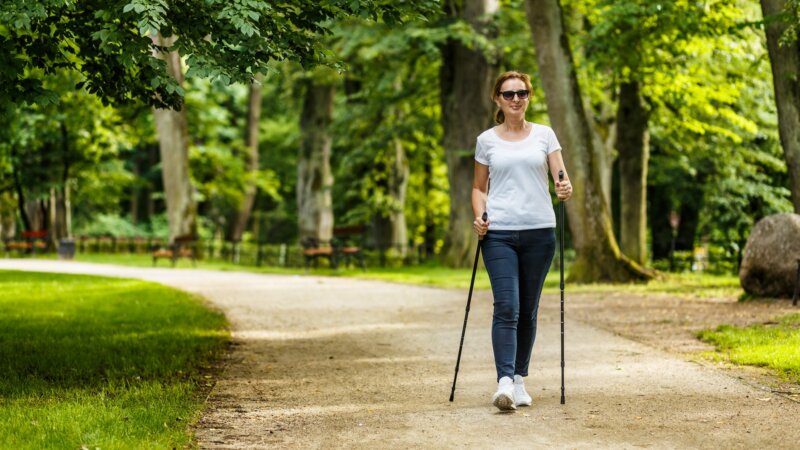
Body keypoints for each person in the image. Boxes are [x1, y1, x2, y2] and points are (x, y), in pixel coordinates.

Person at [472, 70, 572, 411]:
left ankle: (518, 379)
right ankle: (503, 382)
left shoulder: (545, 135)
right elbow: (478, 188)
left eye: (522, 93)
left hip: (540, 232)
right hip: (498, 233)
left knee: (528, 309)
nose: (516, 99)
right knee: (507, 306)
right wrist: (479, 215)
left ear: (529, 96)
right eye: (509, 93)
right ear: (497, 98)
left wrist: (564, 187)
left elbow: (562, 177)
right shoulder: (487, 140)